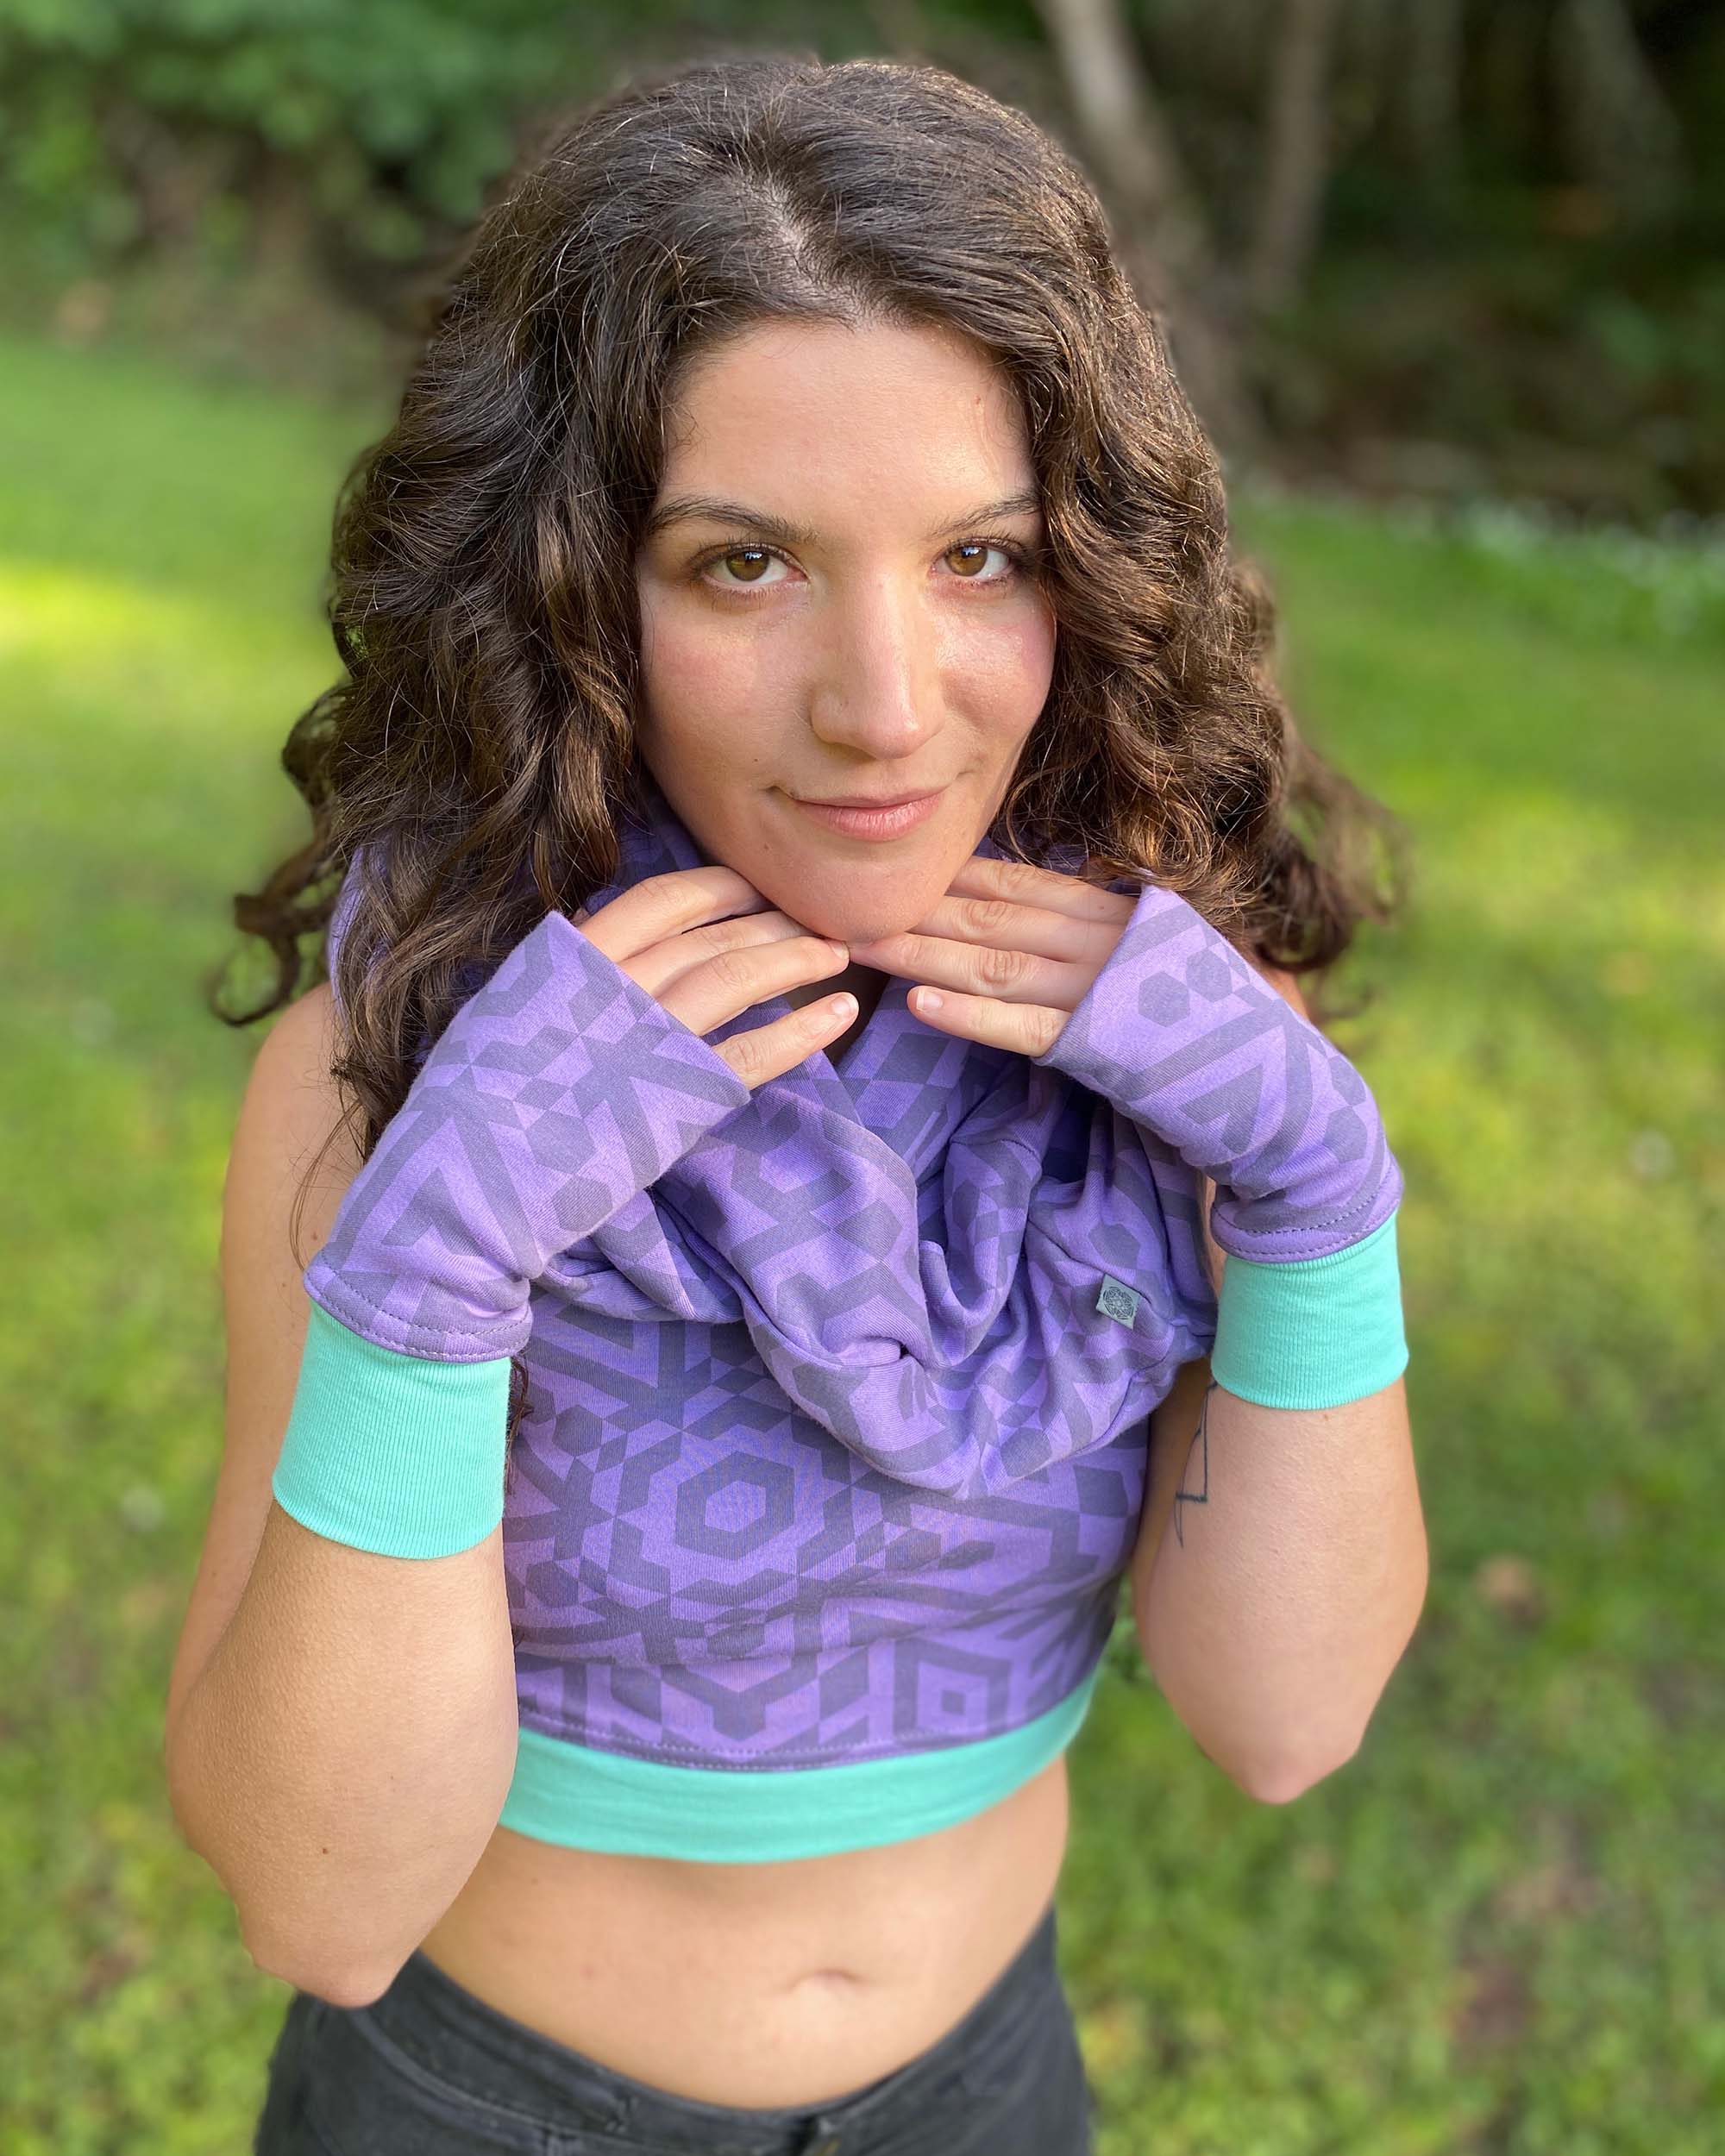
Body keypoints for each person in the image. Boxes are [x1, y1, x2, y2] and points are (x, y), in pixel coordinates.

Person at [164, 49, 1428, 2156]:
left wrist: (1315, 1193)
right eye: (744, 564)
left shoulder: (1184, 1015)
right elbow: (317, 1896)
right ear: (569, 586)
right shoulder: (408, 1058)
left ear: (1094, 568)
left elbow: (1283, 1721)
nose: (882, 705)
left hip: (987, 2091)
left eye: (979, 557)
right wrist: (435, 1267)